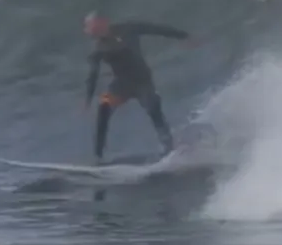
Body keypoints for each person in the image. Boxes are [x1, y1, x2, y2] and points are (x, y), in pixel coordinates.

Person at [84, 12, 198, 163]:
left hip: (142, 81)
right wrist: (87, 99)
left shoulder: (128, 28)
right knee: (103, 106)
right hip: (120, 85)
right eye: (89, 28)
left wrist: (183, 36)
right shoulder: (97, 49)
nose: (89, 31)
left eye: (91, 26)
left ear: (103, 22)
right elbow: (93, 75)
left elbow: (155, 29)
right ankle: (98, 157)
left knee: (153, 108)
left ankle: (169, 148)